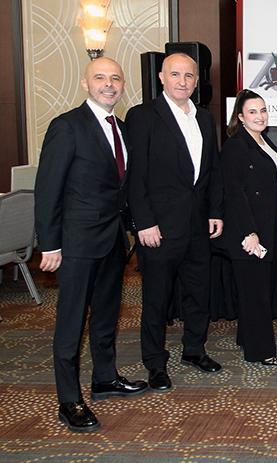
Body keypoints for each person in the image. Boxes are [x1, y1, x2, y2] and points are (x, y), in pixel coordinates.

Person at [34, 57, 148, 433]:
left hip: (113, 240)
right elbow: (47, 189)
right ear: (86, 84)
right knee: (71, 323)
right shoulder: (67, 126)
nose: (109, 84)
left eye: (115, 78)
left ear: (123, 85)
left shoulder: (123, 128)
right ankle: (69, 399)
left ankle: (105, 377)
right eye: (100, 78)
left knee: (105, 316)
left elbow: (122, 186)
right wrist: (50, 244)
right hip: (76, 243)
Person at [126, 52, 224, 392]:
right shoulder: (142, 116)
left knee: (199, 293)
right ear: (162, 78)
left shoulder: (204, 119)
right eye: (175, 74)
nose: (183, 81)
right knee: (157, 299)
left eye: (189, 75)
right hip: (159, 228)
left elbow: (212, 170)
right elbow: (135, 176)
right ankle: (155, 363)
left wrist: (215, 211)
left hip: (198, 225)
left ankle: (194, 350)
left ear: (197, 81)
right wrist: (143, 222)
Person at [216, 89, 277, 366]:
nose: (260, 116)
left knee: (256, 288)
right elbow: (234, 194)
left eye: (263, 110)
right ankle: (261, 351)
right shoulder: (236, 146)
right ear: (241, 117)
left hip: (266, 226)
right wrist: (250, 233)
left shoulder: (264, 140)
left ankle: (247, 338)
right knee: (256, 294)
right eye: (252, 112)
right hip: (248, 232)